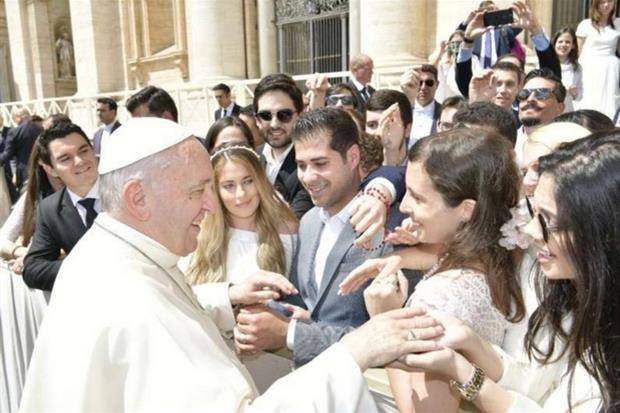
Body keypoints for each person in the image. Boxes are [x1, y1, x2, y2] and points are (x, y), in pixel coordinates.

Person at [20, 116, 445, 412]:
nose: (212, 206)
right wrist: (353, 351)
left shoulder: (113, 254)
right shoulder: (129, 296)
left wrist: (227, 295)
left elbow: (172, 302)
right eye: (198, 190)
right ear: (137, 198)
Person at [396, 133, 620, 412]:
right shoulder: (575, 294)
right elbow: (540, 383)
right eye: (532, 211)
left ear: (603, 232)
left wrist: (464, 372)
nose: (529, 231)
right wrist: (473, 344)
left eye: (549, 221)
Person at [340, 127, 525, 413]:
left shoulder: (440, 298)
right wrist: (403, 258)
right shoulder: (504, 247)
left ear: (466, 209)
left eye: (418, 197)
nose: (404, 205)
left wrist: (388, 320)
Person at [22, 122, 100, 291]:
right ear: (51, 169)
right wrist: (86, 268)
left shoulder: (128, 190)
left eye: (84, 150)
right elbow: (33, 269)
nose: (79, 161)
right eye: (66, 158)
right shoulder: (50, 209)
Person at [0, 135, 64, 274]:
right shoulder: (32, 197)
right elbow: (2, 239)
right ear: (45, 165)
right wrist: (25, 253)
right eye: (64, 158)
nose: (78, 162)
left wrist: (37, 254)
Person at [576, 0, 620, 119]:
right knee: (589, 98)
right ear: (596, 4)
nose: (606, 5)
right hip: (589, 66)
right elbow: (578, 51)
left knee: (610, 99)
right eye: (602, 2)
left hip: (611, 68)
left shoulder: (618, 23)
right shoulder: (585, 24)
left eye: (609, 1)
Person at [429, 31, 464, 103]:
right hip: (444, 100)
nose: (456, 45)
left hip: (462, 100)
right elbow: (430, 69)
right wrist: (440, 52)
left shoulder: (473, 60)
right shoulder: (443, 62)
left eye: (459, 43)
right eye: (453, 43)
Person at [553, 28, 583, 112]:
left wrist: (574, 93)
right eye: (560, 41)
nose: (563, 44)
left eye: (568, 42)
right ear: (555, 43)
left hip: (567, 110)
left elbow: (579, 96)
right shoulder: (546, 63)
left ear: (573, 45)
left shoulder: (577, 67)